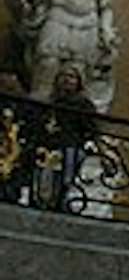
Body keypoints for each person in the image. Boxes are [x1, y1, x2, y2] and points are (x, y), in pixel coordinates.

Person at [30, 63, 97, 212]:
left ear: (79, 82)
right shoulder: (50, 101)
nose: (67, 80)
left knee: (66, 169)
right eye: (63, 76)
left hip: (70, 146)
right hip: (47, 145)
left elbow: (91, 129)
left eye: (71, 77)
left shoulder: (83, 104)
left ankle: (61, 198)